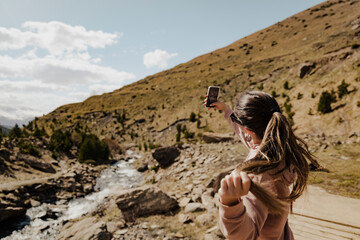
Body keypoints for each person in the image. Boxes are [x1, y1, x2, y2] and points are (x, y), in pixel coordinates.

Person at [205, 91, 320, 240]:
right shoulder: (279, 147)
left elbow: (245, 236)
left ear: (249, 131)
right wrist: (227, 111)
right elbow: (249, 138)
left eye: (236, 120)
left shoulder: (258, 175)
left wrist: (230, 203)